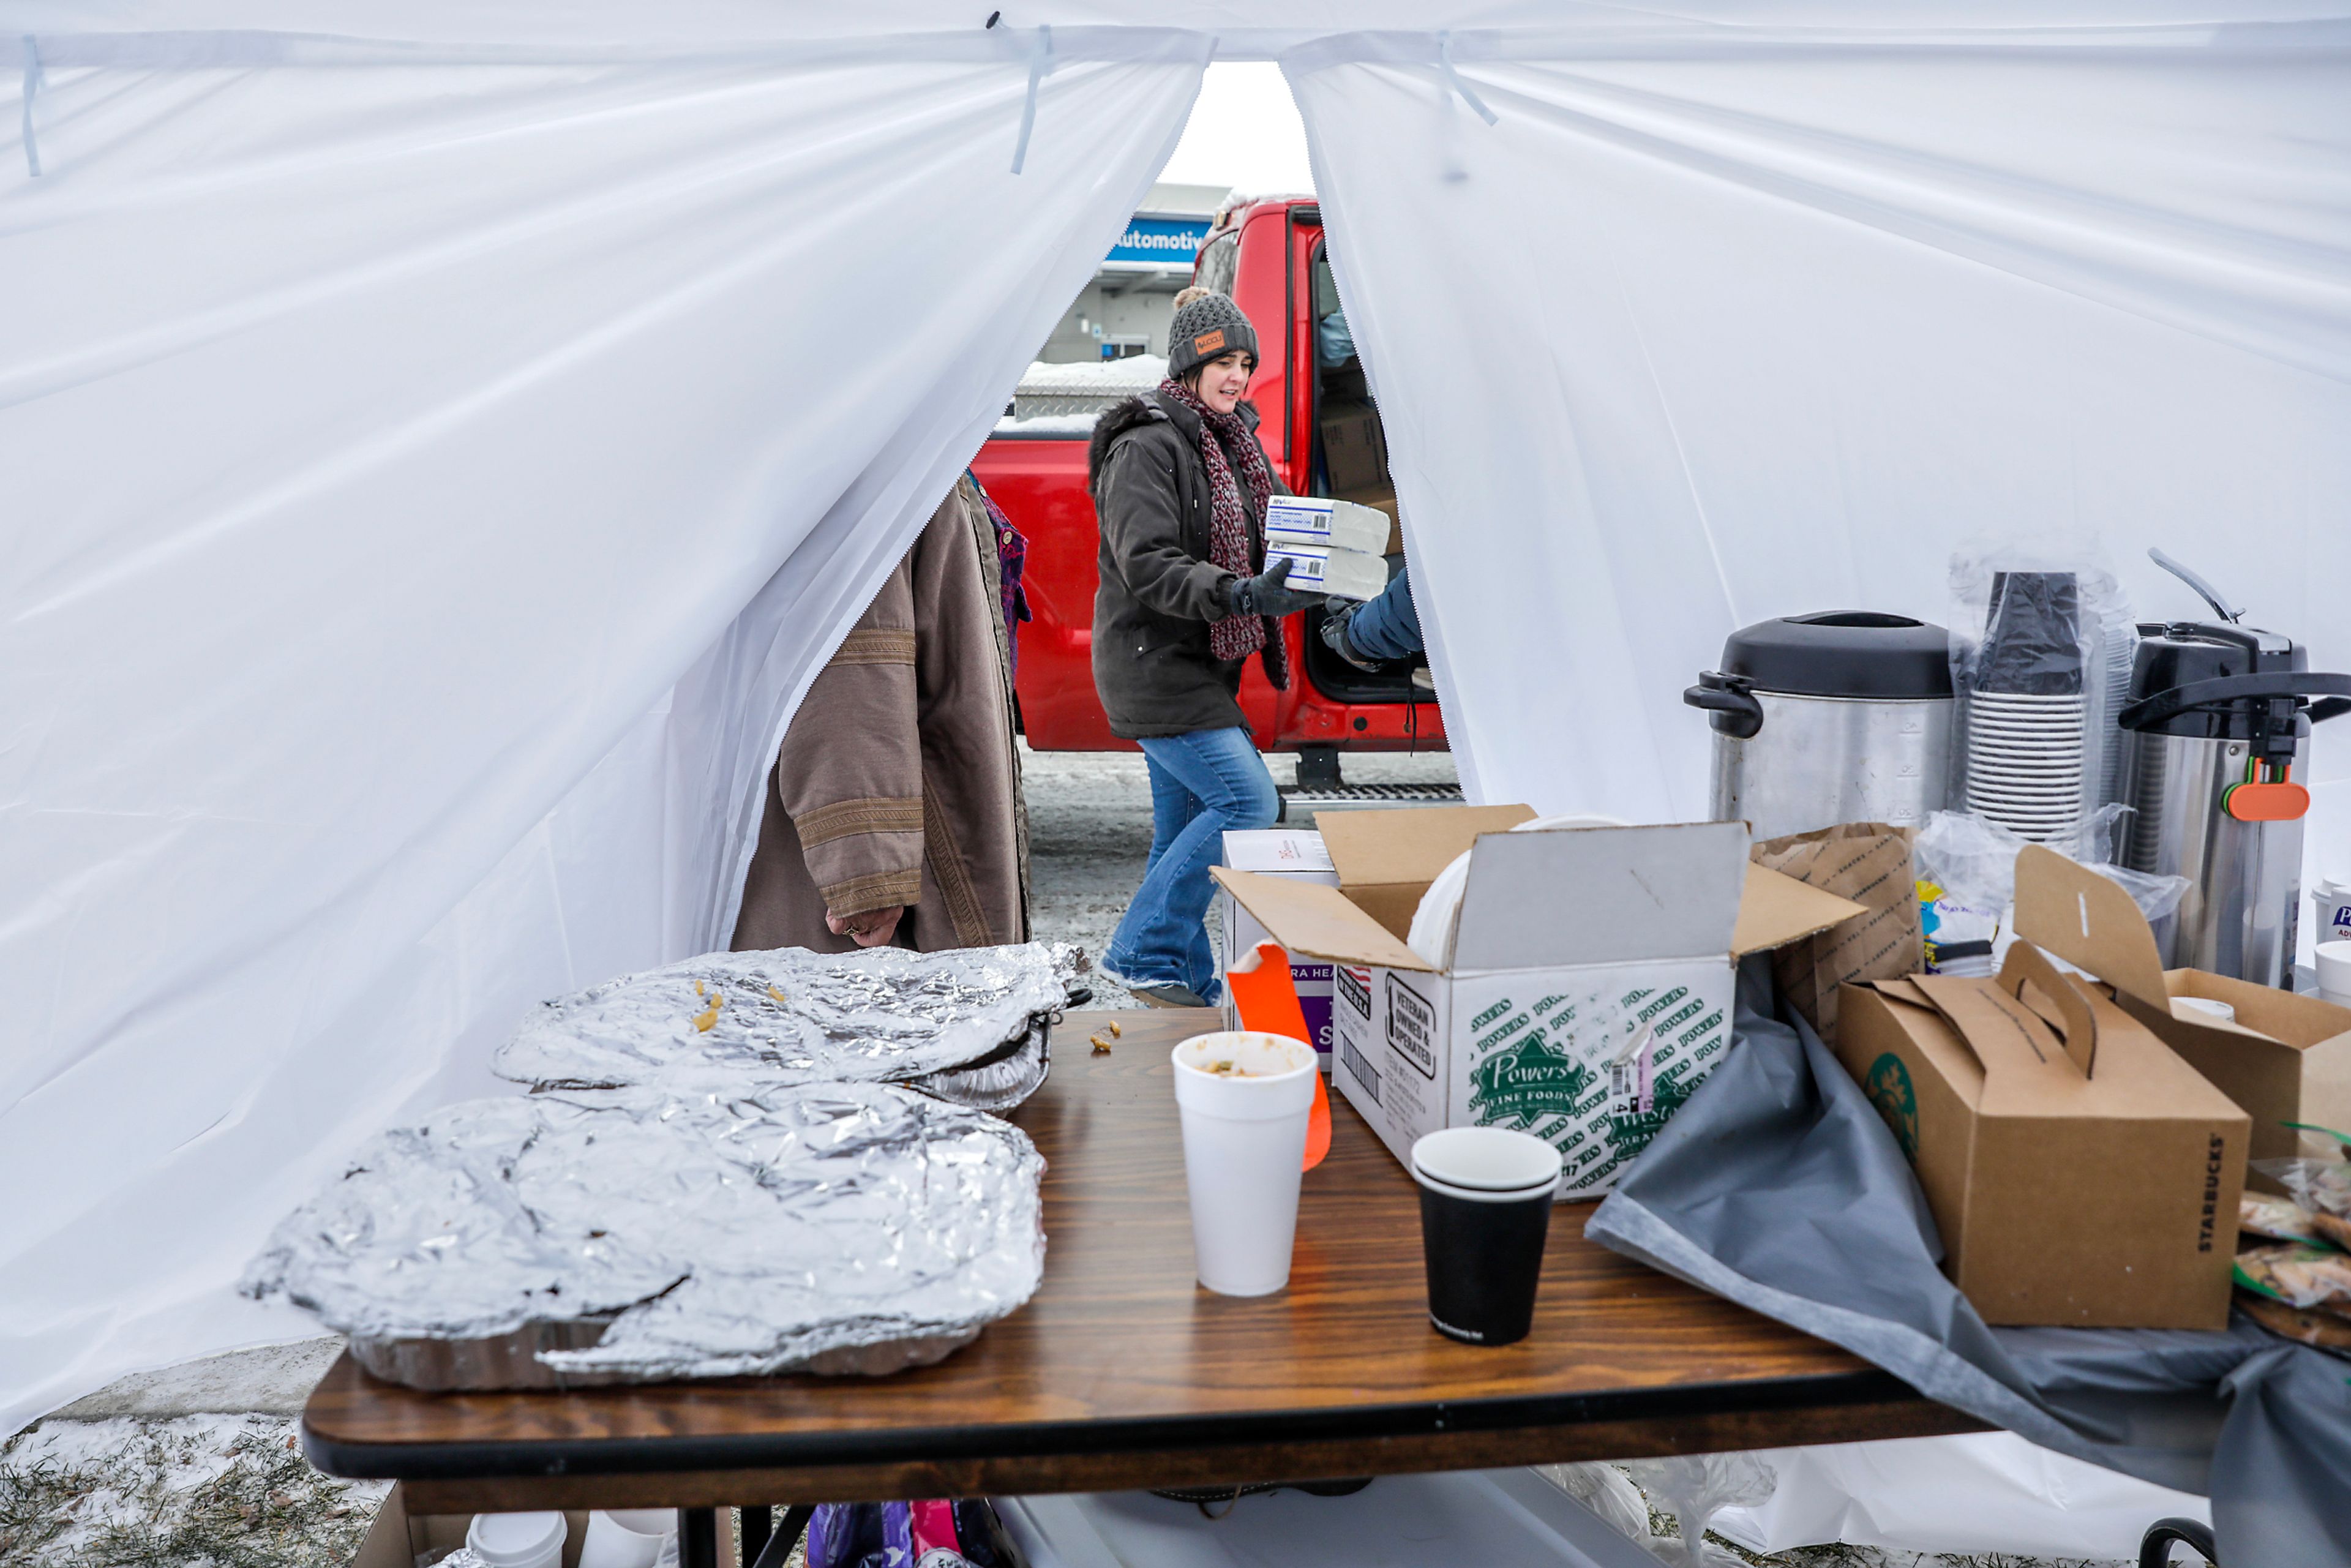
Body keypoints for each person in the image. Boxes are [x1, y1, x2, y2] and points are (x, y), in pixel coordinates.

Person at [1087, 288, 1318, 1007]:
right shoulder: (1145, 445)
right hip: (1152, 662)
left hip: (1199, 664)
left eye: (1246, 362)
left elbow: (1278, 527)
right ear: (1190, 362)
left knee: (1182, 828)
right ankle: (1139, 952)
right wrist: (1240, 593)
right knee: (1248, 802)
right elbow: (1148, 561)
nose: (1238, 375)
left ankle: (1180, 980)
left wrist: (1323, 571)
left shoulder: (1232, 443)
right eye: (1223, 359)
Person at [731, 476, 1028, 955]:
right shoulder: (873, 449)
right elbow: (852, 659)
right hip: (863, 900)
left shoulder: (906, 436)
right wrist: (867, 869)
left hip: (915, 798)